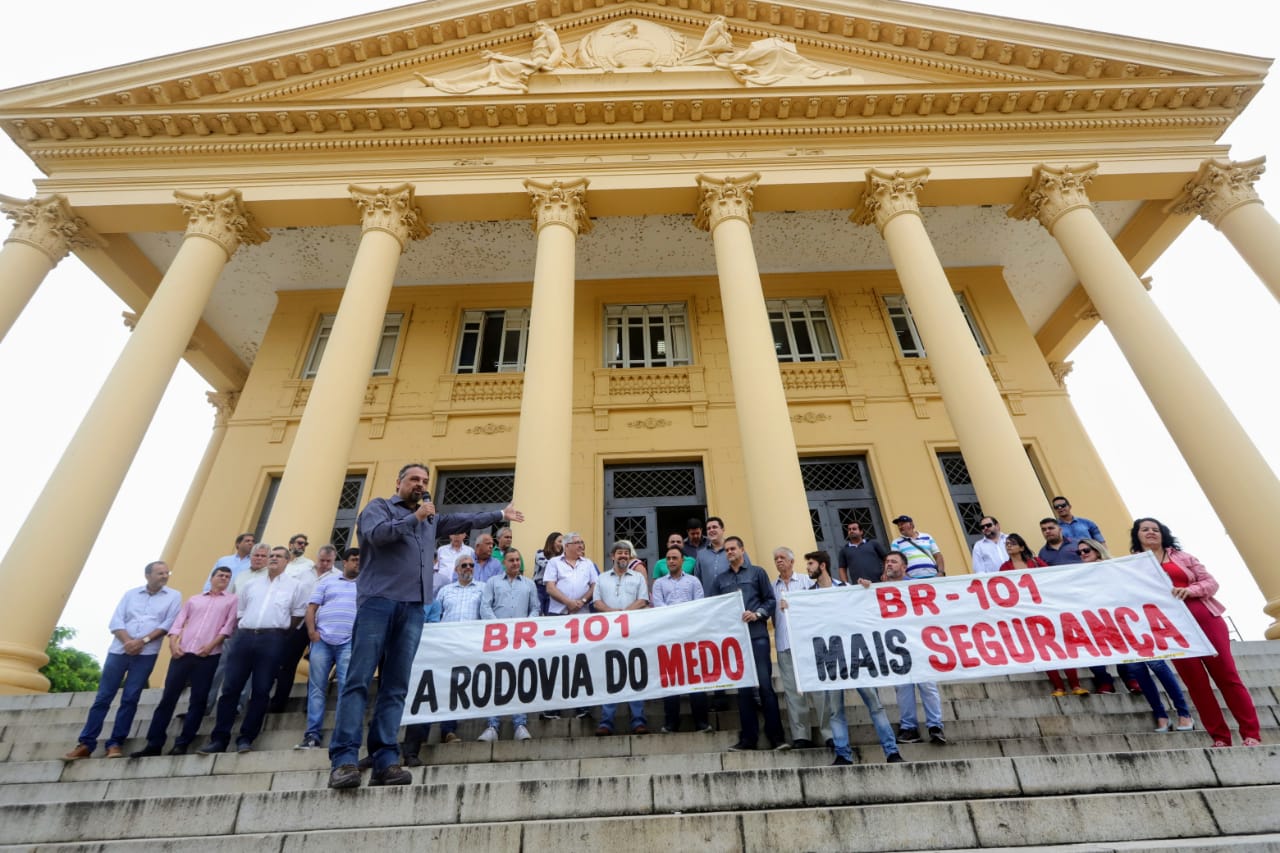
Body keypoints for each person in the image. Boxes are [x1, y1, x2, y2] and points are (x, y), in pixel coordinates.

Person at [328, 462, 523, 789]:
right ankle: (344, 760)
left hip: (414, 606)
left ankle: (385, 760)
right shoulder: (379, 508)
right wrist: (414, 518)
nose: (420, 484)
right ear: (399, 482)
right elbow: (376, 536)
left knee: (397, 686)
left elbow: (465, 520)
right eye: (414, 479)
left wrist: (500, 513)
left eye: (424, 480)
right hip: (377, 602)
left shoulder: (430, 519)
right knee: (359, 680)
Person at [1131, 518, 1261, 747]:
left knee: (1228, 677)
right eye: (1145, 529)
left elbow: (1211, 582)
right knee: (1197, 685)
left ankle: (1251, 733)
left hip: (1205, 619)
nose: (1151, 532)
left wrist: (1190, 590)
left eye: (1155, 529)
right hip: (1172, 630)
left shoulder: (1182, 557)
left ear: (1163, 534)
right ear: (1137, 535)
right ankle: (1220, 737)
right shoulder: (1133, 566)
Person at [64, 561, 181, 760]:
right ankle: (86, 743)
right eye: (160, 573)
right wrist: (128, 641)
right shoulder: (131, 594)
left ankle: (115, 743)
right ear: (148, 575)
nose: (164, 576)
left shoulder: (174, 596)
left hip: (146, 653)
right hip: (118, 650)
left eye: (166, 573)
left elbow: (167, 624)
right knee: (103, 697)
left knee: (130, 698)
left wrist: (142, 641)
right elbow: (116, 620)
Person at [199, 546, 309, 755]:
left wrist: (278, 632)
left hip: (274, 638)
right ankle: (219, 738)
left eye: (278, 556)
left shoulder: (295, 586)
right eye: (272, 556)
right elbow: (241, 613)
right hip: (245, 636)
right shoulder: (251, 584)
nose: (273, 559)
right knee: (230, 688)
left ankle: (246, 737)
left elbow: (297, 616)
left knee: (261, 690)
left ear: (287, 562)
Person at [1077, 538, 1194, 731]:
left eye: (1086, 550)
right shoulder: (1083, 577)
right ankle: (1160, 716)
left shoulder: (1118, 568)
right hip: (1116, 629)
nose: (1082, 554)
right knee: (1138, 671)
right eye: (1079, 552)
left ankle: (1184, 713)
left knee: (1158, 666)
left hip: (1137, 623)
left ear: (1097, 550)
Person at [808, 550, 904, 765]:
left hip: (857, 655)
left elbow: (863, 611)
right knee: (835, 711)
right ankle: (843, 754)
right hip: (831, 657)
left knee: (875, 705)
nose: (808, 568)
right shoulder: (808, 595)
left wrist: (866, 591)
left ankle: (892, 751)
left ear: (822, 565)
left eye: (811, 564)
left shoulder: (845, 588)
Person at [131, 565, 237, 757]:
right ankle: (154, 743)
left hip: (208, 656)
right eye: (220, 575)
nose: (224, 579)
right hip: (183, 653)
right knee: (167, 699)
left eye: (227, 577)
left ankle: (183, 742)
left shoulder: (232, 600)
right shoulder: (194, 599)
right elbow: (179, 622)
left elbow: (227, 627)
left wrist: (212, 645)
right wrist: (173, 643)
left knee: (198, 701)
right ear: (211, 577)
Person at [711, 536, 784, 751]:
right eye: (726, 550)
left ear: (742, 550)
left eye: (733, 548)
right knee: (743, 690)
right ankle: (748, 739)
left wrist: (758, 614)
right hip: (734, 642)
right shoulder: (720, 579)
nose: (729, 552)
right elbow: (713, 607)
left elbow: (770, 600)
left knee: (765, 686)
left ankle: (777, 737)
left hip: (758, 636)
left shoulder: (757, 573)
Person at [1000, 535, 1088, 697]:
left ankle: (1075, 685)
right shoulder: (1005, 567)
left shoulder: (1035, 562)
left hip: (1046, 609)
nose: (1009, 546)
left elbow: (1049, 578)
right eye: (1007, 544)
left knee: (1062, 645)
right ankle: (1058, 686)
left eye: (1012, 544)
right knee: (1043, 649)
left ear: (1021, 547)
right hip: (1025, 613)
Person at [875, 552, 947, 745]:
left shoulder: (916, 587)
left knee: (927, 685)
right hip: (896, 645)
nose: (888, 564)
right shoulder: (879, 590)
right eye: (887, 562)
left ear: (904, 567)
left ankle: (935, 725)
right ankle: (909, 727)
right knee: (902, 686)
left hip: (920, 642)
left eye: (893, 562)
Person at [296, 546, 360, 750]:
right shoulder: (328, 581)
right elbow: (312, 607)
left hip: (349, 642)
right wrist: (312, 632)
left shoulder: (367, 585)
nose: (358, 563)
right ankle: (312, 734)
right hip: (322, 640)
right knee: (316, 687)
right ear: (345, 562)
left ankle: (341, 735)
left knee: (345, 688)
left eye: (361, 560)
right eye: (354, 559)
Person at [270, 543, 338, 713]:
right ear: (317, 558)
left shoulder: (338, 577)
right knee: (287, 663)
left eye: (328, 561)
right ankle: (278, 703)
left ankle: (311, 705)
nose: (324, 564)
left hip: (322, 626)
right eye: (322, 560)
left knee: (318, 665)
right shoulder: (302, 574)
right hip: (299, 623)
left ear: (334, 560)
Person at [479, 548, 539, 741]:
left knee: (520, 679)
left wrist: (526, 625)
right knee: (496, 679)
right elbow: (485, 606)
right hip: (498, 638)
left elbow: (535, 608)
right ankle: (492, 726)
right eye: (511, 560)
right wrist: (499, 626)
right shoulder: (492, 582)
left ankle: (520, 724)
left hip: (521, 639)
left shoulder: (529, 584)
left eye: (517, 560)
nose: (515, 563)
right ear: (504, 563)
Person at [651, 545, 712, 734]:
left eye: (674, 558)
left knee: (696, 678)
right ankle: (671, 723)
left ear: (682, 561)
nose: (670, 561)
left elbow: (698, 605)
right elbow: (659, 608)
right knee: (671, 680)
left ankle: (701, 722)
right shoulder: (659, 583)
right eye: (668, 558)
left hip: (691, 635)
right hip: (669, 636)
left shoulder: (694, 581)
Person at [593, 540, 650, 736]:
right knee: (611, 676)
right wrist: (612, 613)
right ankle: (606, 722)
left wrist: (624, 613)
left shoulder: (638, 578)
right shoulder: (601, 578)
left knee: (635, 675)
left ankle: (638, 720)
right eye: (620, 553)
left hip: (633, 632)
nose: (623, 556)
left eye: (626, 553)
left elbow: (643, 599)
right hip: (609, 634)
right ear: (612, 556)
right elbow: (596, 602)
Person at [771, 546, 823, 749]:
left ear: (792, 562)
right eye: (776, 558)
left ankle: (829, 733)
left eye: (783, 558)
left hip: (807, 644)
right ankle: (801, 735)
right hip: (784, 644)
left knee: (818, 691)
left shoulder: (806, 582)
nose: (779, 561)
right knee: (793, 693)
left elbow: (817, 607)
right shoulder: (772, 587)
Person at [543, 531, 597, 721]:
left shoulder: (588, 563)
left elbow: (594, 586)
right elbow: (550, 587)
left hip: (582, 618)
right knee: (556, 662)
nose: (581, 545)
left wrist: (581, 601)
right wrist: (568, 602)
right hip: (558, 617)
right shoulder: (554, 563)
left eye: (582, 542)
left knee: (581, 661)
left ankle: (582, 707)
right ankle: (553, 708)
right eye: (577, 542)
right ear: (567, 546)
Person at [437, 556, 487, 744]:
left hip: (472, 643)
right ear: (457, 569)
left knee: (474, 682)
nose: (468, 568)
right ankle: (448, 730)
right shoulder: (445, 590)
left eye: (471, 565)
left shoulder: (482, 588)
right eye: (464, 565)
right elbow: (437, 615)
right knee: (451, 686)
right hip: (448, 644)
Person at [836, 520, 887, 585]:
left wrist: (885, 573)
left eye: (854, 529)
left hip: (879, 583)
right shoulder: (844, 550)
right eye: (849, 529)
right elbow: (842, 568)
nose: (851, 531)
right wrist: (845, 584)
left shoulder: (873, 544)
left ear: (861, 532)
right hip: (859, 587)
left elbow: (886, 559)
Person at [533, 531, 563, 618]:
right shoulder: (540, 553)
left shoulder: (561, 558)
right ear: (552, 542)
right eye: (559, 541)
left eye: (563, 542)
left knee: (550, 615)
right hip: (539, 588)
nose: (562, 545)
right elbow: (547, 565)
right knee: (537, 613)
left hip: (553, 589)